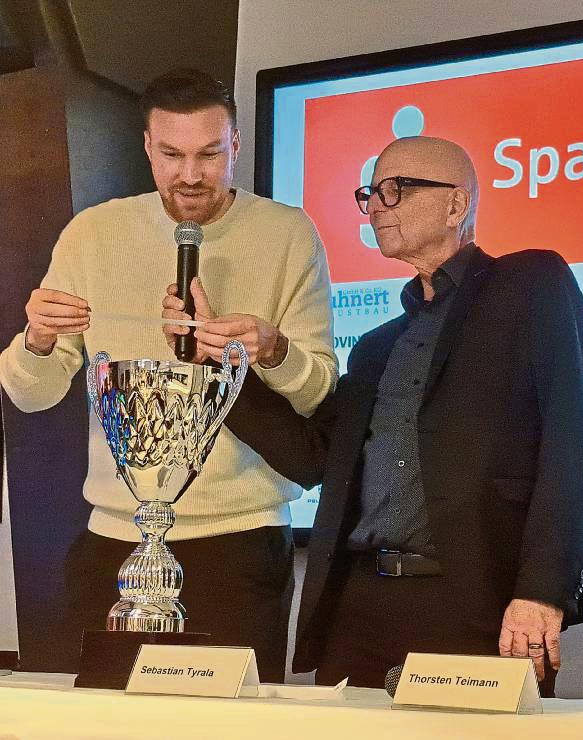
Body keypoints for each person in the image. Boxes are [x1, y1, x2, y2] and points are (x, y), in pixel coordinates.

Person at [171, 136, 583, 694]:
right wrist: (217, 366)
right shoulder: (376, 346)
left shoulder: (530, 285)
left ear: (457, 205)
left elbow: (577, 440)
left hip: (476, 600)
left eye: (396, 190)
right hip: (359, 602)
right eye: (370, 194)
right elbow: (314, 459)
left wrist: (543, 591)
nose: (376, 206)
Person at [0, 68, 337, 682]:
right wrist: (38, 339)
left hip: (241, 537)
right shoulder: (94, 233)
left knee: (235, 727)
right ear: (147, 147)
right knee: (105, 723)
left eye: (210, 153)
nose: (190, 175)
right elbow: (30, 394)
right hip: (114, 536)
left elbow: (319, 392)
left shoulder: (289, 235)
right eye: (173, 154)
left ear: (236, 145)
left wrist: (272, 349)